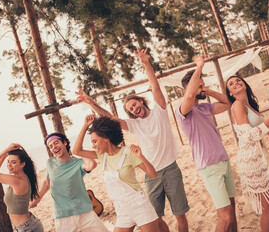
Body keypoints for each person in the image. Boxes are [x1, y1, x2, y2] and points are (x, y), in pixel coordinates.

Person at [76, 47, 190, 232]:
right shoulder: (134, 125)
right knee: (156, 218)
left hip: (170, 168)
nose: (134, 108)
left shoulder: (159, 112)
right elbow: (108, 116)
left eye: (134, 104)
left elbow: (154, 86)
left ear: (141, 101)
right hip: (150, 174)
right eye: (130, 109)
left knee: (180, 214)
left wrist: (146, 63)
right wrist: (91, 103)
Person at [174, 56, 237, 232]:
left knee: (232, 211)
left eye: (202, 85)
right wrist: (199, 66)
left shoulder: (204, 108)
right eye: (198, 86)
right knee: (225, 217)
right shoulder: (183, 111)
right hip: (209, 167)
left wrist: (207, 92)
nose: (201, 88)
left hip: (224, 162)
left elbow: (228, 102)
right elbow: (189, 96)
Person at [225, 75, 269, 232]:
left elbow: (254, 128)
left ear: (244, 84)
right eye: (231, 83)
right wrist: (268, 122)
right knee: (268, 207)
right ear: (230, 92)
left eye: (238, 80)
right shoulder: (237, 105)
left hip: (259, 157)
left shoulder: (249, 104)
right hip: (250, 161)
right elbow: (247, 137)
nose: (236, 83)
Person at [73, 114, 158, 232]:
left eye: (95, 141)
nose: (93, 146)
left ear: (106, 138)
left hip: (140, 207)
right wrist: (85, 125)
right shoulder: (102, 156)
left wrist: (141, 156)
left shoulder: (128, 152)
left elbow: (153, 174)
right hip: (122, 210)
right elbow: (76, 150)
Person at [29, 132, 108, 232]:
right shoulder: (50, 163)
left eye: (56, 143)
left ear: (65, 142)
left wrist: (79, 151)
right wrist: (38, 198)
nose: (54, 147)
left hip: (85, 212)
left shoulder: (78, 163)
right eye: (51, 146)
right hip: (63, 216)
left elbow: (91, 164)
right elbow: (47, 182)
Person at [0, 143, 44, 232]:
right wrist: (6, 154)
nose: (9, 165)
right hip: (25, 226)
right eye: (8, 161)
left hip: (27, 228)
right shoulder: (19, 178)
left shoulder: (17, 180)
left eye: (13, 162)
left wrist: (5, 151)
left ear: (22, 164)